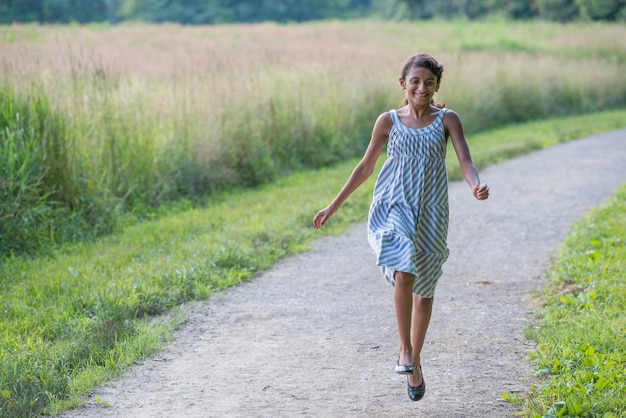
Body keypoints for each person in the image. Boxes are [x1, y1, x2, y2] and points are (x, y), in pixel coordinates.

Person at [313, 53, 489, 401]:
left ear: (437, 86)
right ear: (402, 84)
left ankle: (416, 362)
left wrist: (475, 185)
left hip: (432, 212)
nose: (421, 88)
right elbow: (364, 168)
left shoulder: (447, 119)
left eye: (429, 83)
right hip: (394, 205)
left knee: (424, 293)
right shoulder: (388, 121)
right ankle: (404, 349)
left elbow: (465, 160)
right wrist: (333, 205)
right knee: (403, 272)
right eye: (415, 81)